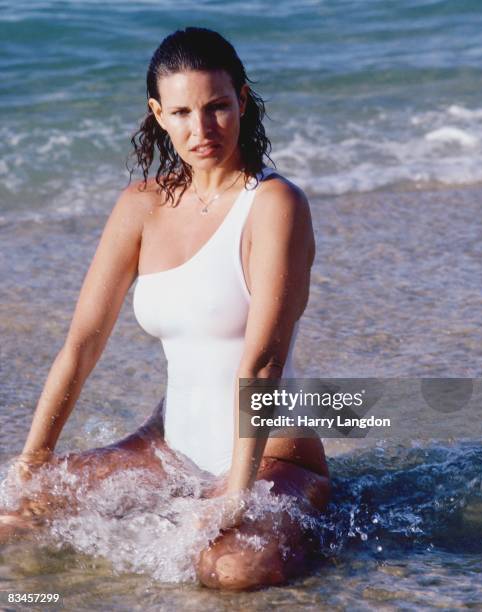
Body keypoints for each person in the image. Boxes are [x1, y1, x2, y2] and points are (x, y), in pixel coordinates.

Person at [0, 27, 330, 590]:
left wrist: (236, 492)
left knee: (229, 569)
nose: (200, 129)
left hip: (275, 452)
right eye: (180, 112)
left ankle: (322, 527)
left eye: (217, 107)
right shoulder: (141, 206)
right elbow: (82, 343)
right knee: (13, 517)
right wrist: (35, 457)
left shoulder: (274, 204)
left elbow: (264, 362)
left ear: (242, 101)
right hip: (169, 445)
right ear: (157, 113)